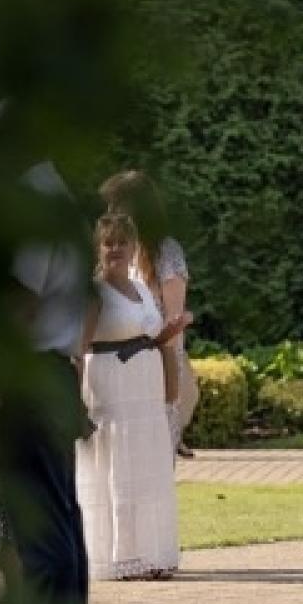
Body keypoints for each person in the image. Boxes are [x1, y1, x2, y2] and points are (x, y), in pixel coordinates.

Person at [0, 160, 92, 604]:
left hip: (29, 375)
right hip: (55, 372)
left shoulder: (34, 200)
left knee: (41, 528)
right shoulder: (61, 196)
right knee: (63, 519)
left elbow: (20, 302)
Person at [75, 213, 188, 581]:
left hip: (145, 390)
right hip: (110, 387)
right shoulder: (94, 292)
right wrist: (75, 400)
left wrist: (171, 333)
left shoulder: (141, 289)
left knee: (145, 467)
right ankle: (120, 557)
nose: (116, 250)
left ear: (134, 246)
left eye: (123, 243)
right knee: (116, 468)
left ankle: (151, 554)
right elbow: (81, 347)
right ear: (99, 248)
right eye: (109, 243)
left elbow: (154, 335)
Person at [99, 170, 196, 459]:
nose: (110, 213)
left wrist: (171, 389)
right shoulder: (116, 252)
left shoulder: (166, 252)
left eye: (116, 205)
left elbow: (173, 325)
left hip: (154, 370)